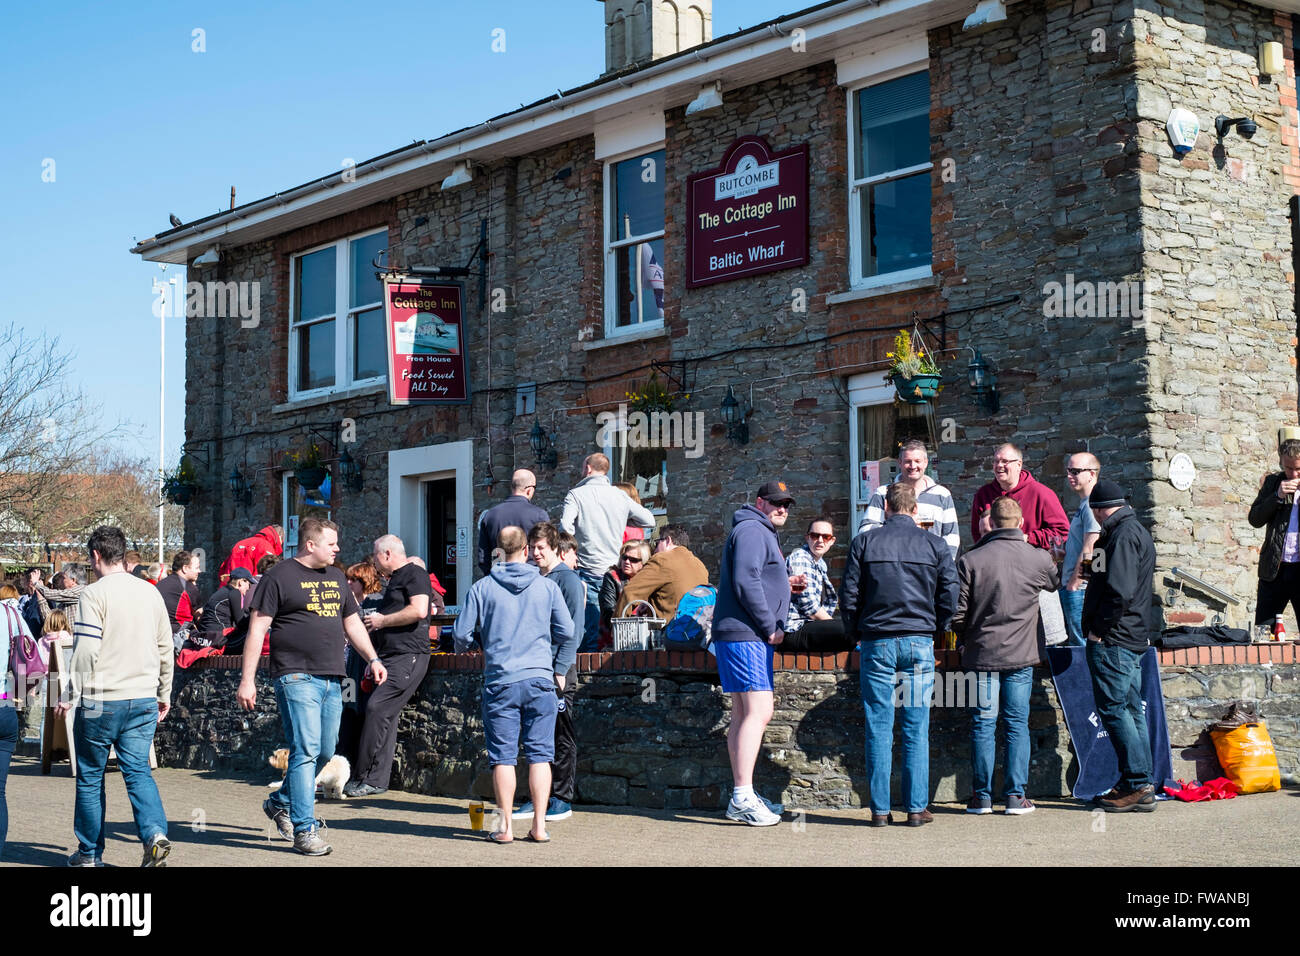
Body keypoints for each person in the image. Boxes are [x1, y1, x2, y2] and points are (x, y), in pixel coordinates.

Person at [237, 518, 388, 857]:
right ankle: (304, 830)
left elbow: (351, 623)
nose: (337, 549)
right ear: (310, 544)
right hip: (295, 676)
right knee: (304, 749)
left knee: (323, 750)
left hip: (332, 678)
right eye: (331, 543)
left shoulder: (336, 577)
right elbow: (257, 629)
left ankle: (279, 802)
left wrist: (374, 659)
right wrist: (247, 679)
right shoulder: (279, 577)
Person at [54, 526, 174, 867]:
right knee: (138, 770)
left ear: (95, 556)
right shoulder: (150, 593)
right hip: (143, 697)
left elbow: (87, 649)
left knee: (91, 776)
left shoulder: (93, 594)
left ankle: (89, 854)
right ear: (122, 553)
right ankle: (154, 834)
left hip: (99, 700)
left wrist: (69, 690)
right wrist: (163, 691)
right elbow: (165, 647)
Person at [842, 483, 958, 828]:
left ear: (886, 509)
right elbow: (950, 592)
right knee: (916, 725)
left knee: (878, 725)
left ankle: (879, 810)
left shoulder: (864, 541)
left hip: (876, 640)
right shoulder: (935, 544)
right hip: (918, 639)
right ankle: (915, 808)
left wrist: (855, 633)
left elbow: (848, 595)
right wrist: (937, 625)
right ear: (915, 511)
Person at [453, 526, 574, 844]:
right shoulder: (547, 587)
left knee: (503, 757)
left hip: (501, 681)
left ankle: (505, 828)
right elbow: (567, 630)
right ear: (525, 548)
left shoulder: (482, 588)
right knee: (540, 755)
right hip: (539, 679)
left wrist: (483, 640)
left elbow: (462, 635)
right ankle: (539, 826)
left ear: (499, 550)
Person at [952, 497, 1059, 816]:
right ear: (1022, 523)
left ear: (992, 523)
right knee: (1016, 724)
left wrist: (966, 637)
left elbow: (957, 614)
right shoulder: (1037, 558)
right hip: (1022, 654)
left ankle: (981, 797)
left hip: (981, 653)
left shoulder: (971, 560)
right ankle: (1015, 797)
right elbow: (1055, 583)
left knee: (982, 724)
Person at [712, 480, 795, 826]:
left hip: (742, 633)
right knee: (760, 709)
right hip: (747, 634)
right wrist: (770, 626)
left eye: (786, 505)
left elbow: (755, 579)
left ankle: (741, 795)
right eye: (776, 503)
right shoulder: (751, 530)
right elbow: (746, 581)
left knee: (742, 713)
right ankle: (743, 796)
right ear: (760, 502)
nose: (782, 509)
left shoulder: (757, 530)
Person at [1082, 480, 1158, 813]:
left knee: (1115, 710)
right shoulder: (1121, 533)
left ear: (1099, 510)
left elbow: (1119, 591)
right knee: (1129, 710)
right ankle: (1140, 782)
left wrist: (1098, 630)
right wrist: (1088, 565)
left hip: (1114, 638)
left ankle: (1137, 783)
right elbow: (1101, 578)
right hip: (1130, 636)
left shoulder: (1123, 535)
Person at [345, 535, 433, 798]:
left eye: (374, 555)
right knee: (385, 714)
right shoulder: (396, 579)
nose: (373, 561)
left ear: (386, 554)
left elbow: (419, 610)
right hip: (391, 657)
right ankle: (375, 779)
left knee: (377, 707)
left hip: (409, 655)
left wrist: (382, 621)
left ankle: (367, 777)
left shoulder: (414, 574)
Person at [516, 521, 583, 823]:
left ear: (556, 548)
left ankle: (561, 799)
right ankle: (539, 797)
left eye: (542, 547)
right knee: (537, 736)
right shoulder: (534, 578)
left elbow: (574, 631)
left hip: (558, 670)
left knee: (561, 734)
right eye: (533, 548)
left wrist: (559, 669)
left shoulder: (566, 580)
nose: (536, 553)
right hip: (536, 668)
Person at [560, 453, 656, 652]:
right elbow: (649, 520)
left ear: (587, 468)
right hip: (612, 571)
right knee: (610, 624)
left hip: (586, 568)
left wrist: (570, 550)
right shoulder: (619, 495)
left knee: (588, 627)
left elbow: (565, 525)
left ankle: (586, 673)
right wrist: (621, 519)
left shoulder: (576, 495)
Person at [857, 440, 960, 558]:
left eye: (917, 461)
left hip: (929, 569)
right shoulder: (883, 493)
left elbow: (952, 537)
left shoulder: (942, 494)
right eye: (908, 461)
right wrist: (898, 526)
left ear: (926, 463)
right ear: (899, 463)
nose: (913, 466)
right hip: (892, 565)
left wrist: (943, 566)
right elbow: (865, 532)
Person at [970, 443, 1070, 550]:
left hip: (1033, 562)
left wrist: (1027, 538)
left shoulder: (1041, 494)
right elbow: (977, 533)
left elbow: (1062, 532)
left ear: (1019, 465)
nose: (999, 465)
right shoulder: (983, 494)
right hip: (994, 562)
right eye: (996, 461)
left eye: (1005, 461)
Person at [1249, 438, 1300, 629]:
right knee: (1264, 630)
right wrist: (1276, 497)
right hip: (1274, 568)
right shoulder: (1272, 483)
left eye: (1298, 469)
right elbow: (1254, 519)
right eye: (1288, 469)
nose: (1293, 474)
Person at [339, 561, 385, 766]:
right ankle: (342, 760)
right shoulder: (351, 603)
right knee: (347, 709)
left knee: (364, 712)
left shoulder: (376, 604)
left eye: (354, 579)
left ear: (365, 580)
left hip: (366, 666)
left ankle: (359, 763)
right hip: (350, 669)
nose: (348, 582)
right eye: (348, 578)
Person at [616, 524, 709, 623]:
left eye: (657, 543)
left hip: (668, 632)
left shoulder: (662, 559)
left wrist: (617, 629)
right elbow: (673, 592)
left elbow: (629, 593)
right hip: (697, 630)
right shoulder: (699, 564)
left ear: (668, 540)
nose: (655, 550)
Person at [782, 517, 849, 652]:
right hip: (793, 628)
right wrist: (833, 624)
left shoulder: (819, 564)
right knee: (847, 630)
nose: (820, 540)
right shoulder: (801, 558)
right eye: (814, 536)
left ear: (832, 541)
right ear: (807, 538)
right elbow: (810, 607)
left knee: (851, 630)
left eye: (826, 537)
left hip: (806, 625)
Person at [1060, 452, 1102, 645]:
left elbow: (1092, 547)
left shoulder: (1091, 505)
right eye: (1069, 470)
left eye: (1076, 471)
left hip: (1081, 589)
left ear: (1092, 474)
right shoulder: (1085, 504)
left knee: (1081, 649)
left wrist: (1075, 583)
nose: (1070, 476)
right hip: (1079, 588)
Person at [477, 469, 549, 576]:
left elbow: (483, 557)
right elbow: (546, 551)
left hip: (498, 576)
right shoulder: (539, 515)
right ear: (529, 490)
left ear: (512, 487)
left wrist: (492, 576)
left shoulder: (490, 516)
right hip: (530, 577)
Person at [599, 540, 649, 649]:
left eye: (633, 560)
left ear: (644, 563)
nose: (627, 562)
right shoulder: (612, 577)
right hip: (614, 640)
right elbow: (608, 611)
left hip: (643, 638)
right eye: (624, 557)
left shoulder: (650, 581)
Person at [156, 550, 202, 636]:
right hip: (180, 636)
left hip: (159, 633)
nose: (199, 571)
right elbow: (199, 617)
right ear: (185, 568)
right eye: (197, 568)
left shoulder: (160, 584)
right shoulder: (188, 588)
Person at [219, 525, 284, 583]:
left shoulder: (241, 543)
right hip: (250, 589)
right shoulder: (265, 546)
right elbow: (270, 573)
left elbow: (224, 568)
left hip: (231, 587)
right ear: (280, 537)